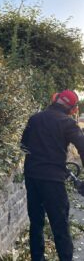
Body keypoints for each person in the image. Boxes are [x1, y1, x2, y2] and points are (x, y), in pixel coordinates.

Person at [21, 89, 84, 261]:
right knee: (60, 227)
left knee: (36, 223)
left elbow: (23, 144)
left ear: (56, 100)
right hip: (53, 181)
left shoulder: (35, 119)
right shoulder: (68, 123)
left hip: (32, 177)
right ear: (72, 108)